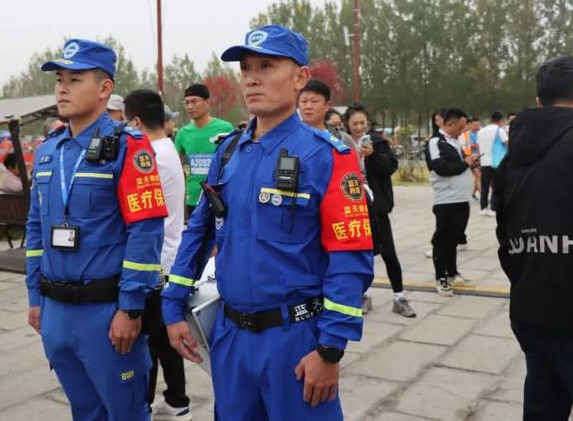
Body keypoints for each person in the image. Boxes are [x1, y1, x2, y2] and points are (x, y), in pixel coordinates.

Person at [163, 25, 374, 420]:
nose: (251, 78)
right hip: (230, 337)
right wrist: (172, 304)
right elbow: (199, 232)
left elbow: (350, 257)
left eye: (266, 66)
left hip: (295, 341)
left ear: (299, 77)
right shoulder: (228, 152)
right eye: (245, 68)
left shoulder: (327, 156)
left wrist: (330, 348)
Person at [25, 39, 167, 420]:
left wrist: (131, 308)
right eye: (59, 79)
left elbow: (145, 232)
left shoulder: (128, 146)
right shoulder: (49, 151)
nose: (63, 88)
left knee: (126, 413)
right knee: (84, 412)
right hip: (55, 311)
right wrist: (35, 295)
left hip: (105, 313)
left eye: (75, 79)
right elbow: (36, 228)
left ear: (105, 88)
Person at [494, 56, 573, 420]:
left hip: (531, 307)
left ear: (539, 99)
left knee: (543, 407)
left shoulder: (512, 158)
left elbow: (504, 236)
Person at [123, 89, 191, 420]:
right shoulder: (166, 148)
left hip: (154, 261)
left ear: (136, 122)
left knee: (147, 342)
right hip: (167, 257)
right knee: (164, 339)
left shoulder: (149, 155)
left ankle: (144, 406)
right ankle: (177, 402)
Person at [344, 103, 416, 318]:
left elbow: (390, 167)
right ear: (348, 124)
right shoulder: (342, 142)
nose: (359, 127)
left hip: (377, 206)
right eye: (355, 124)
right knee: (362, 254)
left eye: (362, 123)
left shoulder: (378, 142)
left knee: (389, 253)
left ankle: (399, 297)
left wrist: (373, 155)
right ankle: (364, 295)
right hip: (353, 207)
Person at [424, 108, 480, 296]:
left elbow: (459, 165)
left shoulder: (455, 141)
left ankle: (452, 272)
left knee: (455, 237)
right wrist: (465, 163)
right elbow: (440, 167)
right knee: (443, 239)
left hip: (461, 197)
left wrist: (470, 162)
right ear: (450, 124)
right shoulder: (436, 142)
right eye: (460, 127)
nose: (462, 131)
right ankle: (441, 277)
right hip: (446, 199)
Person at [175, 84, 234, 217]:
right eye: (187, 103)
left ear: (207, 103)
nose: (190, 107)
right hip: (193, 198)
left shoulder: (225, 128)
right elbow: (175, 165)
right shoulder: (183, 133)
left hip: (219, 197)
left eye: (194, 101)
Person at [298, 80, 355, 151]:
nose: (308, 106)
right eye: (304, 101)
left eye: (314, 101)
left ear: (327, 105)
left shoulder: (342, 139)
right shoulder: (289, 136)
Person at [476, 111, 508, 216]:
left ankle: (483, 207)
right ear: (501, 120)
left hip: (484, 162)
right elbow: (507, 143)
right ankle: (493, 208)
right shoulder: (500, 130)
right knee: (496, 186)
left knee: (484, 186)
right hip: (496, 162)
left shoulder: (481, 131)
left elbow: (478, 146)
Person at [458, 117, 481, 201]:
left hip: (470, 157)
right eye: (471, 125)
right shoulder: (459, 135)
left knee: (478, 175)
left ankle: (477, 194)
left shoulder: (467, 134)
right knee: (476, 176)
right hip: (464, 158)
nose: (471, 127)